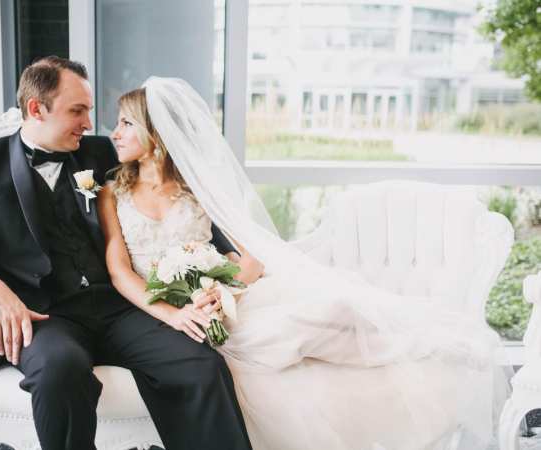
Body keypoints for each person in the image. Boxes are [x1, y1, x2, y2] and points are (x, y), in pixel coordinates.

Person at [97, 76, 511, 450]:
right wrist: (174, 313)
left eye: (126, 123)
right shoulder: (112, 193)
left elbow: (252, 259)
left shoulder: (197, 189)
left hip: (227, 301)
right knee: (294, 333)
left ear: (156, 133)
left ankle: (433, 346)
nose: (114, 132)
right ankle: (430, 349)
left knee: (336, 308)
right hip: (175, 314)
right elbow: (120, 271)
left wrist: (218, 292)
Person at [0, 57, 253, 450]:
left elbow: (169, 182)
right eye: (78, 111)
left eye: (88, 110)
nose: (90, 124)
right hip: (43, 316)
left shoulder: (101, 154)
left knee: (199, 365)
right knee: (60, 370)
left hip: (118, 307)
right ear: (37, 109)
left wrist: (220, 259)